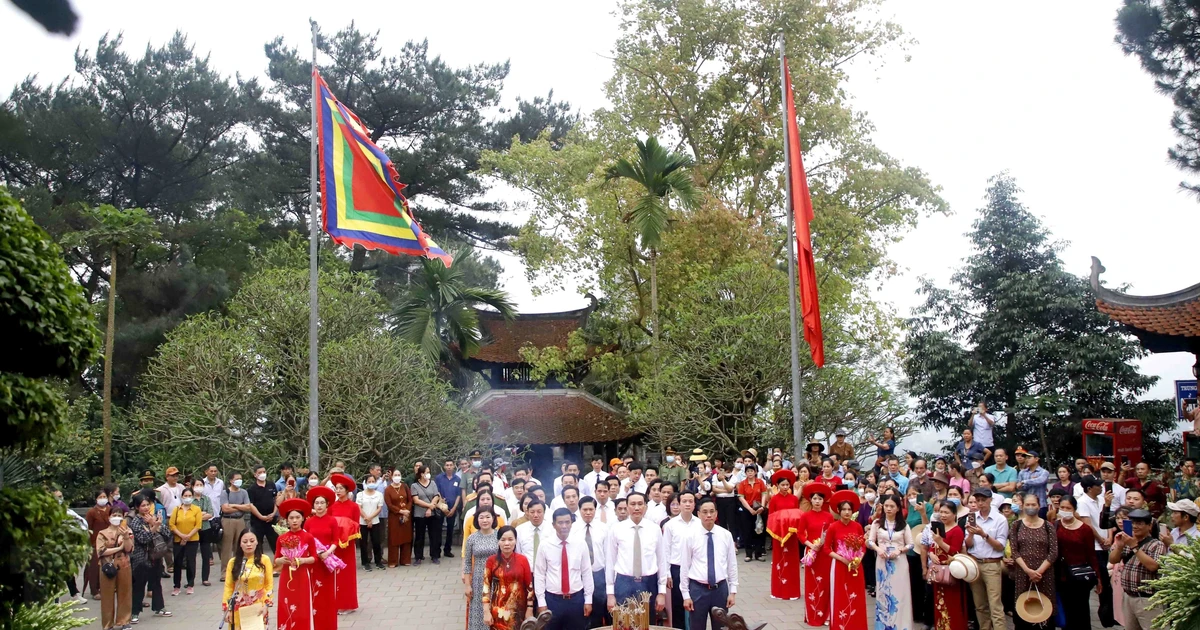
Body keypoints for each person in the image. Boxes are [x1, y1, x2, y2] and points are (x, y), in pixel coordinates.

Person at [605, 492, 667, 617]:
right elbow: (610, 561)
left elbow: (661, 560)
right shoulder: (616, 529)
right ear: (627, 506)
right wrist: (610, 594)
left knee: (647, 623)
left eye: (640, 504)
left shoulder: (654, 529)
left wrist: (662, 592)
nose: (637, 508)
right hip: (624, 582)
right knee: (624, 623)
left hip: (649, 583)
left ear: (646, 506)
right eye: (633, 504)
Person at [533, 508, 593, 630]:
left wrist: (588, 600)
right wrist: (541, 602)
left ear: (572, 523)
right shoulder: (545, 545)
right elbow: (539, 574)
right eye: (560, 523)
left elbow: (586, 572)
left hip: (576, 599)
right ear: (553, 525)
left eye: (567, 522)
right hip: (552, 600)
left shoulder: (580, 544)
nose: (564, 526)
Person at [1109, 508, 1165, 630]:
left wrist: (1134, 546)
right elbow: (1113, 560)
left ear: (1149, 526)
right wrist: (1119, 547)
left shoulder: (1156, 544)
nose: (1135, 526)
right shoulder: (1126, 540)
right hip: (1128, 596)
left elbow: (1153, 566)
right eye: (1132, 523)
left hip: (1146, 599)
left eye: (1139, 523)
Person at [1009, 493, 1057, 630]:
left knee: (1045, 608)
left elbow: (1053, 552)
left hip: (1044, 574)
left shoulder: (1048, 526)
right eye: (1027, 505)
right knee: (1023, 607)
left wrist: (1038, 572)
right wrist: (1028, 571)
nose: (1030, 507)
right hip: (1023, 573)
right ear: (1022, 506)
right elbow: (1014, 550)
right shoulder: (1016, 525)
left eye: (1033, 504)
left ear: (1039, 506)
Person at [964, 488, 1008, 630]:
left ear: (991, 500)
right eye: (978, 500)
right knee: (980, 605)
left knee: (995, 605)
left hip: (992, 564)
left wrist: (983, 534)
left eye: (984, 500)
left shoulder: (1000, 519)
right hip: (975, 563)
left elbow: (1000, 546)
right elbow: (968, 544)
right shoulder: (972, 517)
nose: (980, 503)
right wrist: (970, 534)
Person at [1055, 496, 1101, 630]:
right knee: (1065, 611)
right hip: (1062, 575)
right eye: (1062, 507)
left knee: (1081, 610)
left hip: (1081, 576)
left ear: (1074, 509)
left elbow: (1091, 554)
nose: (1064, 510)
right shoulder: (1055, 526)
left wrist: (1098, 577)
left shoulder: (1085, 529)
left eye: (1068, 508)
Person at [868, 493, 913, 630]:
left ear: (898, 508)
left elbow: (911, 544)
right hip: (882, 562)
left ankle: (901, 625)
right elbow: (870, 541)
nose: (888, 509)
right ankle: (884, 625)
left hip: (899, 562)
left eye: (892, 506)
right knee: (883, 592)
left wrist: (899, 551)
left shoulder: (904, 525)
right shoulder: (877, 523)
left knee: (900, 593)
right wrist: (878, 549)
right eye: (886, 506)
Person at [826, 490, 867, 630]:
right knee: (840, 596)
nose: (847, 512)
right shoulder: (833, 527)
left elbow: (863, 547)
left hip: (856, 567)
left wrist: (858, 560)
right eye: (843, 509)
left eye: (849, 509)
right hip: (839, 566)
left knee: (856, 597)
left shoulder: (857, 526)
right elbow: (827, 549)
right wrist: (842, 559)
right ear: (838, 511)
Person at [275, 497, 319, 630]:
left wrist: (302, 560)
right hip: (286, 575)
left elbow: (315, 558)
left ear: (303, 519)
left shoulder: (308, 537)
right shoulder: (282, 538)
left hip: (302, 574)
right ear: (287, 520)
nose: (294, 520)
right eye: (291, 518)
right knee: (286, 604)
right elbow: (276, 558)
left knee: (303, 604)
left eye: (297, 517)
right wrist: (282, 560)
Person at [129, 494, 172, 623]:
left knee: (156, 583)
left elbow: (167, 534)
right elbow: (143, 539)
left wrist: (156, 523)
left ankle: (159, 607)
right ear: (137, 507)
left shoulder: (154, 517)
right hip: (141, 558)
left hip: (156, 556)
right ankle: (135, 612)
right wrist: (153, 527)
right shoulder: (135, 521)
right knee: (139, 586)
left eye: (148, 505)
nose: (146, 508)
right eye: (143, 505)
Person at [302, 486, 341, 628]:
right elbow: (305, 541)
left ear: (327, 505)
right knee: (313, 592)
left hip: (327, 560)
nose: (319, 506)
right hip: (313, 561)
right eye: (316, 503)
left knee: (328, 593)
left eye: (322, 503)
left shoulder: (332, 521)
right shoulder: (308, 522)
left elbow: (335, 541)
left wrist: (327, 552)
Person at [661, 491, 702, 628]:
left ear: (694, 504)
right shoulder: (671, 525)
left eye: (690, 501)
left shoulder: (700, 523)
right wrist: (667, 573)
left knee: (695, 604)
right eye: (684, 501)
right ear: (679, 503)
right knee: (678, 605)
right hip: (676, 568)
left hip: (695, 568)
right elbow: (666, 550)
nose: (687, 504)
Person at [926, 500, 968, 630]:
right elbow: (932, 547)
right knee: (939, 602)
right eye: (941, 512)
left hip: (950, 571)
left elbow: (955, 551)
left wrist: (941, 542)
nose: (943, 515)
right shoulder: (940, 528)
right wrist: (931, 554)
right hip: (938, 571)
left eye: (946, 512)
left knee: (951, 603)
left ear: (954, 514)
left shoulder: (957, 531)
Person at [484, 525, 534, 630]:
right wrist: (486, 612)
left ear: (516, 541)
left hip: (518, 610)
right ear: (498, 541)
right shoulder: (491, 561)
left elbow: (529, 586)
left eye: (510, 539)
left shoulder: (522, 560)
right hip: (498, 610)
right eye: (503, 540)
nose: (507, 543)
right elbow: (486, 587)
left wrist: (530, 609)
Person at [222, 530, 273, 629]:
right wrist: (226, 609)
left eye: (252, 541)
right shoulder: (233, 562)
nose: (248, 544)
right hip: (238, 606)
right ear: (240, 544)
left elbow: (269, 585)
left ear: (257, 542)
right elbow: (228, 586)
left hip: (258, 606)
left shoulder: (264, 560)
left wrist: (266, 605)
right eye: (245, 542)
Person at [572, 497, 610, 628]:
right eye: (585, 510)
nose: (588, 513)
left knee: (598, 611)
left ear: (595, 510)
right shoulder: (573, 529)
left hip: (599, 574)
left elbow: (608, 554)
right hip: (579, 576)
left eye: (591, 509)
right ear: (579, 510)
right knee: (581, 611)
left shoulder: (603, 528)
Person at [95, 505, 133, 630]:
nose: (116, 518)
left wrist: (126, 537)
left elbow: (129, 549)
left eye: (119, 515)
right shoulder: (102, 533)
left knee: (125, 592)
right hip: (107, 565)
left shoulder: (127, 531)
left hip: (124, 564)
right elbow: (101, 551)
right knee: (107, 594)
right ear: (109, 516)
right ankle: (107, 624)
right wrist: (118, 548)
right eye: (114, 515)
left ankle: (124, 620)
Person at [463, 507, 500, 630]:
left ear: (493, 518)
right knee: (478, 610)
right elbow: (467, 563)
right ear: (477, 520)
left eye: (488, 517)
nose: (485, 520)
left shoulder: (499, 536)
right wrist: (468, 585)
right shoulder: (472, 538)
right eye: (481, 517)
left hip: (496, 578)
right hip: (478, 579)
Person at [328, 473, 361, 613]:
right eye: (336, 488)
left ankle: (348, 604)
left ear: (347, 490)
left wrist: (346, 532)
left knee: (347, 574)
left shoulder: (354, 507)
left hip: (347, 544)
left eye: (341, 488)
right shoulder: (331, 507)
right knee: (335, 574)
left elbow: (356, 525)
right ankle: (335, 603)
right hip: (334, 545)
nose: (338, 490)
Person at [904, 486, 933, 628]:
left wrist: (922, 513)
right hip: (911, 550)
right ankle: (916, 613)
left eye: (914, 494)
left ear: (920, 494)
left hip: (923, 549)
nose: (911, 497)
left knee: (924, 583)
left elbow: (929, 527)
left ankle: (927, 615)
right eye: (909, 495)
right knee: (914, 584)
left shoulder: (927, 507)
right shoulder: (909, 508)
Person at [169, 486, 203, 596]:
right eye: (185, 496)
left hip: (192, 539)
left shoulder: (196, 509)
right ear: (182, 497)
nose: (187, 498)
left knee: (190, 562)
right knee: (178, 562)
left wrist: (188, 536)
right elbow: (172, 524)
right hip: (178, 539)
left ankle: (190, 584)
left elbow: (198, 525)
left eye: (189, 496)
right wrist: (181, 536)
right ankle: (176, 586)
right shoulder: (176, 509)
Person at [411, 464, 445, 566]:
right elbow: (416, 500)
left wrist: (430, 508)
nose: (428, 474)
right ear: (421, 474)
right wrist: (429, 506)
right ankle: (418, 557)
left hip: (433, 513)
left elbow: (436, 496)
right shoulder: (414, 486)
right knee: (419, 536)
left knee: (433, 535)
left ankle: (434, 556)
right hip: (419, 514)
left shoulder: (433, 483)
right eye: (427, 472)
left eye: (429, 472)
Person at [84, 487, 113, 600]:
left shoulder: (110, 509)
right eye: (100, 497)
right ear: (96, 499)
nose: (102, 499)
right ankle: (94, 590)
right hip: (95, 543)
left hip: (109, 542)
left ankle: (105, 587)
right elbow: (88, 528)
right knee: (94, 568)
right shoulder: (92, 512)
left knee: (108, 565)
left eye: (104, 497)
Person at [221, 472, 252, 578]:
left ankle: (239, 569)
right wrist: (240, 506)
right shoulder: (225, 493)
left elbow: (248, 507)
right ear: (231, 481)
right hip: (228, 520)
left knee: (240, 545)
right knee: (227, 546)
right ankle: (225, 571)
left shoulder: (244, 492)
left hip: (240, 520)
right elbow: (225, 508)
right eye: (237, 478)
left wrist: (233, 505)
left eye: (240, 478)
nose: (239, 480)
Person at [736, 463, 767, 561]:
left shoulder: (760, 482)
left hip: (759, 509)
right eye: (748, 471)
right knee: (747, 531)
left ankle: (758, 553)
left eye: (752, 471)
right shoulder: (742, 484)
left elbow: (764, 494)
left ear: (755, 472)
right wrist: (750, 510)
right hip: (747, 509)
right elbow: (741, 497)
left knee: (759, 531)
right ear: (745, 473)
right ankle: (748, 554)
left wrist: (762, 507)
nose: (750, 473)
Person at [247, 465, 280, 556]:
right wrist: (261, 517)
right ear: (255, 475)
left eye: (264, 472)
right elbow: (251, 505)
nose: (262, 474)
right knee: (258, 544)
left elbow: (276, 500)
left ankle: (278, 566)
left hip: (272, 520)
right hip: (257, 521)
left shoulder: (271, 485)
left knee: (276, 543)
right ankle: (259, 564)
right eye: (260, 472)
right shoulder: (251, 489)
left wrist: (273, 514)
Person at [385, 469, 414, 567]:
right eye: (395, 475)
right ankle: (393, 561)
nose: (397, 476)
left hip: (406, 516)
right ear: (392, 476)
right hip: (394, 516)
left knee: (406, 537)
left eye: (399, 474)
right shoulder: (388, 489)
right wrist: (400, 511)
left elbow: (410, 500)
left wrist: (407, 511)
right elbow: (389, 504)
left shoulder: (405, 486)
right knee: (394, 538)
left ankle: (405, 559)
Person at [357, 474, 385, 571]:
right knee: (363, 543)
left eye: (373, 481)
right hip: (362, 521)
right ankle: (365, 562)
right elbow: (359, 508)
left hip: (375, 521)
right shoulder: (360, 494)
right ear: (365, 483)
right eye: (369, 481)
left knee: (376, 542)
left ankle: (378, 562)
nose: (371, 483)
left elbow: (379, 508)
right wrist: (366, 518)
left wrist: (370, 518)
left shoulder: (379, 494)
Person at [437, 460, 463, 559]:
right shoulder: (439, 478)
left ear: (454, 467)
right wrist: (441, 501)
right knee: (438, 529)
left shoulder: (457, 479)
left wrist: (454, 508)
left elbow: (458, 495)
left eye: (450, 465)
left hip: (453, 507)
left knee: (450, 529)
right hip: (441, 506)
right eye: (447, 465)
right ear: (444, 466)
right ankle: (437, 550)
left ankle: (447, 550)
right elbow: (437, 491)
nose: (449, 467)